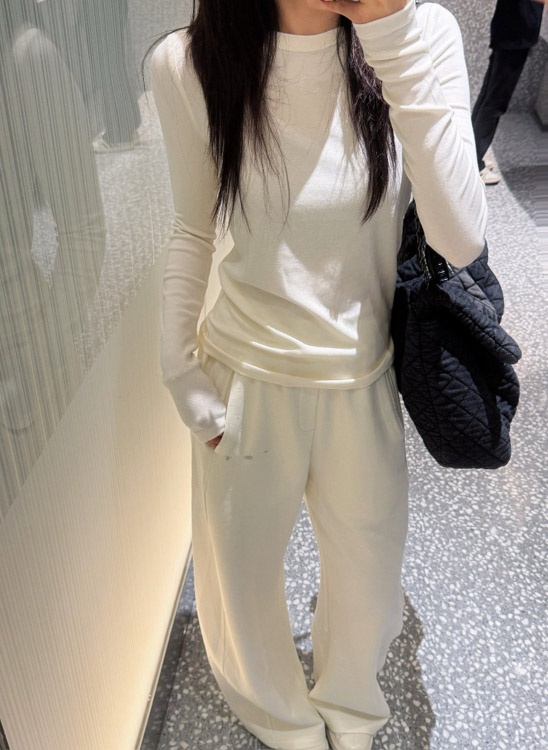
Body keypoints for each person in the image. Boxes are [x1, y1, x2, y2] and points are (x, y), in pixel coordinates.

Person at [149, 1, 487, 749]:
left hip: (362, 379)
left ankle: (351, 709)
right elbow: (192, 228)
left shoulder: (421, 36)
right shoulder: (189, 62)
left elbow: (460, 238)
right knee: (240, 581)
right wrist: (181, 372)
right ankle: (281, 720)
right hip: (244, 379)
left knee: (369, 578)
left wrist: (390, 33)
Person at [472, 0, 545, 185]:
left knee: (488, 97)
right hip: (515, 36)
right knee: (495, 103)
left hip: (510, 32)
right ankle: (474, 164)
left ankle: (471, 154)